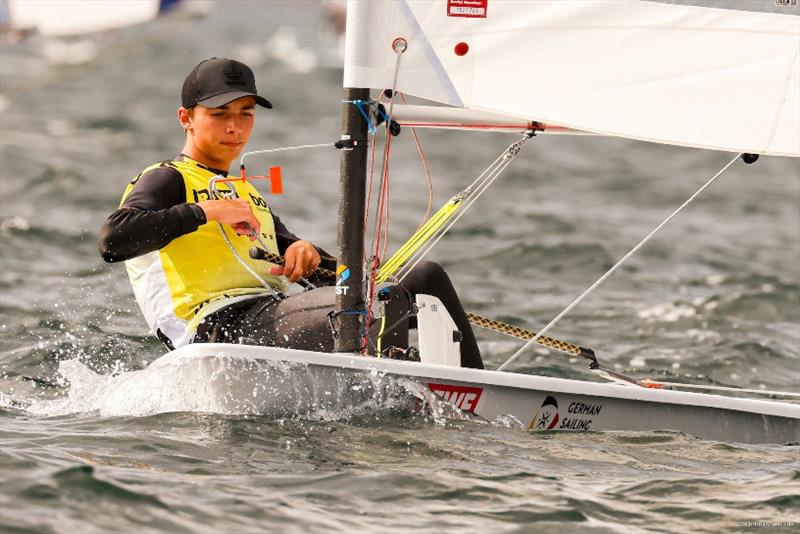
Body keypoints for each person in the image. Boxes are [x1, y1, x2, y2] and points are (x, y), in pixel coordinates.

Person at [98, 57, 483, 369]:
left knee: (421, 278)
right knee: (381, 302)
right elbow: (113, 240)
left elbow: (320, 271)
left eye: (246, 113)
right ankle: (391, 405)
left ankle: (472, 395)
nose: (235, 127)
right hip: (217, 330)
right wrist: (206, 211)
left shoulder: (247, 194)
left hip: (271, 313)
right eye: (219, 114)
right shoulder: (167, 178)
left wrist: (306, 253)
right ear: (186, 118)